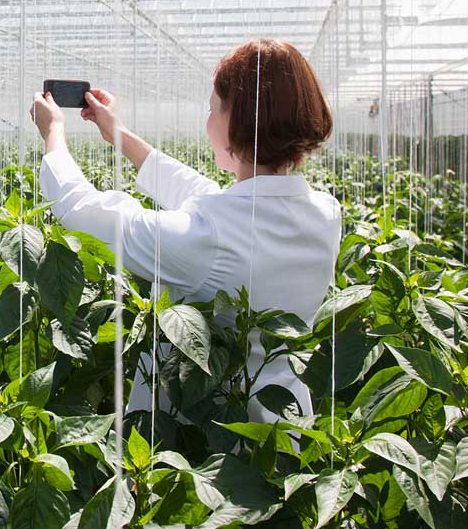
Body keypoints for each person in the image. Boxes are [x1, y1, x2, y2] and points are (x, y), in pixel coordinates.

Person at [29, 39, 341, 421]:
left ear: (236, 121)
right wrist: (119, 134)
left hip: (205, 432)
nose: (208, 120)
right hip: (285, 418)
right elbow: (205, 196)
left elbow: (79, 208)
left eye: (213, 108)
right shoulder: (325, 213)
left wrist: (53, 133)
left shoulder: (207, 238)